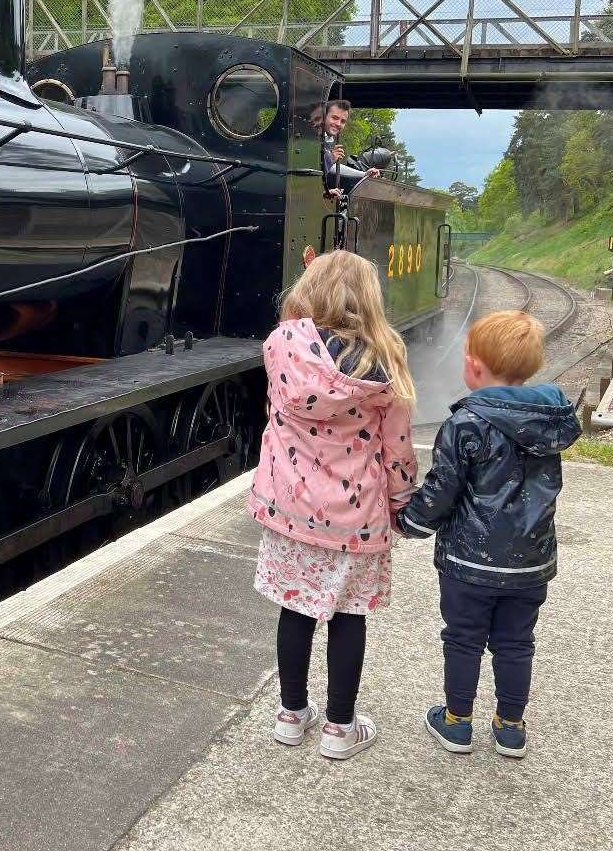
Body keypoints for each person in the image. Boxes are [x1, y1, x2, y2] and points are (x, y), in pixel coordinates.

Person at [248, 250, 417, 760]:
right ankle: (340, 727)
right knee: (348, 616)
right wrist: (403, 500)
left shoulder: (281, 344)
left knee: (295, 611)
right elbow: (398, 448)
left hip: (289, 510)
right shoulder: (383, 361)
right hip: (355, 516)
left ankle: (291, 715)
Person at [394, 310, 580, 759]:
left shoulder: (465, 423)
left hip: (469, 562)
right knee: (516, 642)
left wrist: (410, 522)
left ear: (474, 366)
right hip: (530, 562)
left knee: (463, 638)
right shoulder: (547, 420)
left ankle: (457, 722)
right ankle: (510, 728)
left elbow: (443, 488)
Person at [314, 99, 379, 201]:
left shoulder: (325, 143)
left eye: (343, 121)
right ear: (323, 116)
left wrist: (364, 174)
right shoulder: (312, 141)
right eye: (335, 118)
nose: (339, 124)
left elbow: (332, 168)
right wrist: (324, 192)